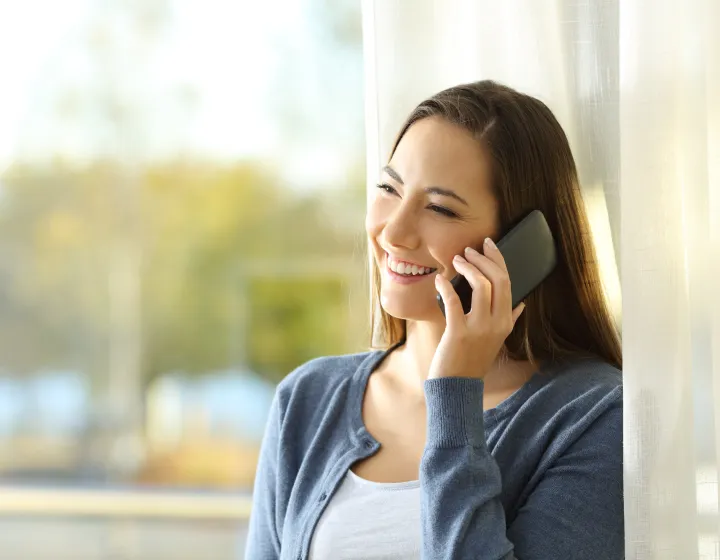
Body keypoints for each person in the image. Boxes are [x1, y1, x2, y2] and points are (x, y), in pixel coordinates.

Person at [244, 81, 623, 560]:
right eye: (389, 188)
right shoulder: (307, 399)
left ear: (523, 245)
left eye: (440, 208)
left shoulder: (594, 417)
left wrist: (454, 393)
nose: (394, 232)